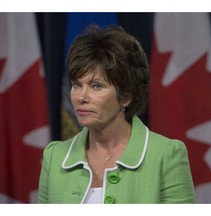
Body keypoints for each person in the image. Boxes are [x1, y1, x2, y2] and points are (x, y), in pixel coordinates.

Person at [37, 24, 196, 204]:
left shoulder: (166, 155)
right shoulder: (54, 156)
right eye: (76, 85)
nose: (81, 97)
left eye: (96, 86)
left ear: (126, 97)